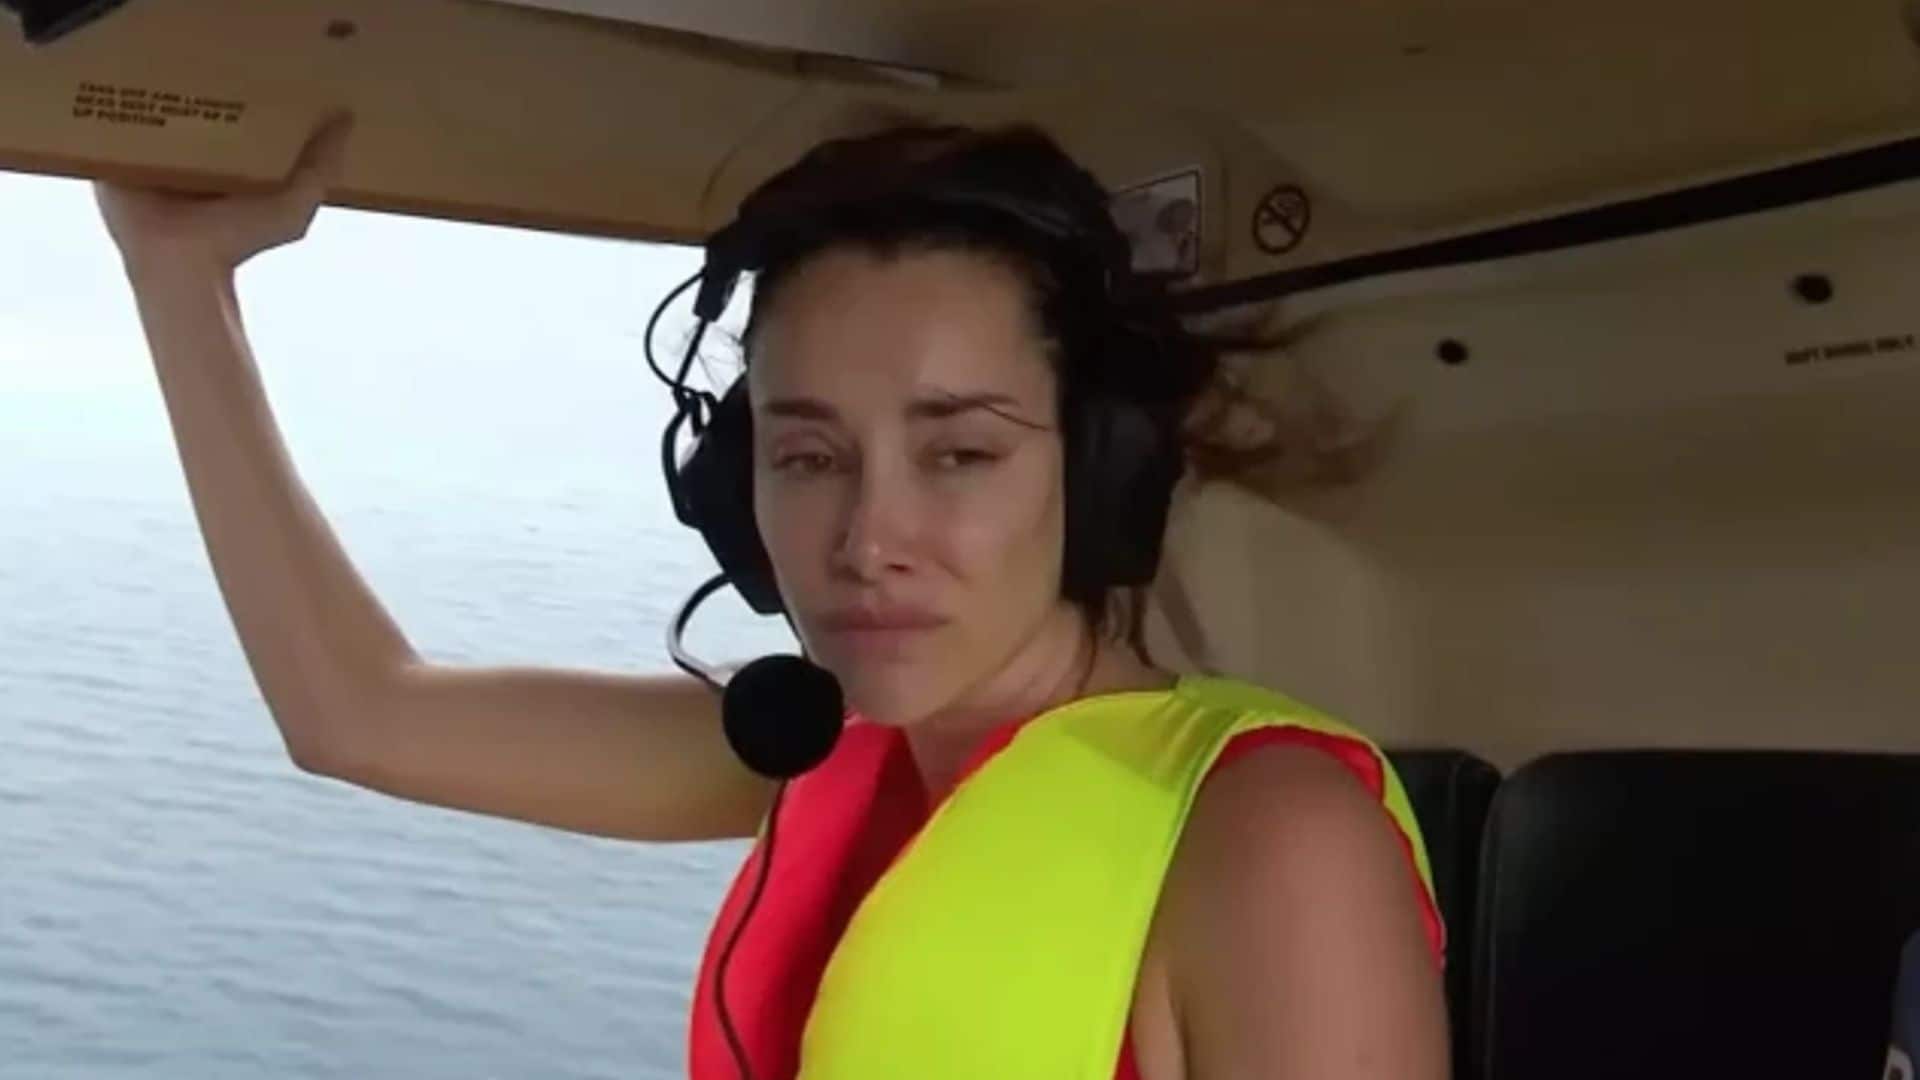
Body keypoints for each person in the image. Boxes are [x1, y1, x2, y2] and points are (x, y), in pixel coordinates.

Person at [95, 113, 1449, 1079]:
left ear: (1098, 472)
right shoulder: (825, 751)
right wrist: (178, 280)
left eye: (959, 454)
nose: (867, 538)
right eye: (808, 457)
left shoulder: (1268, 837)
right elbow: (358, 712)